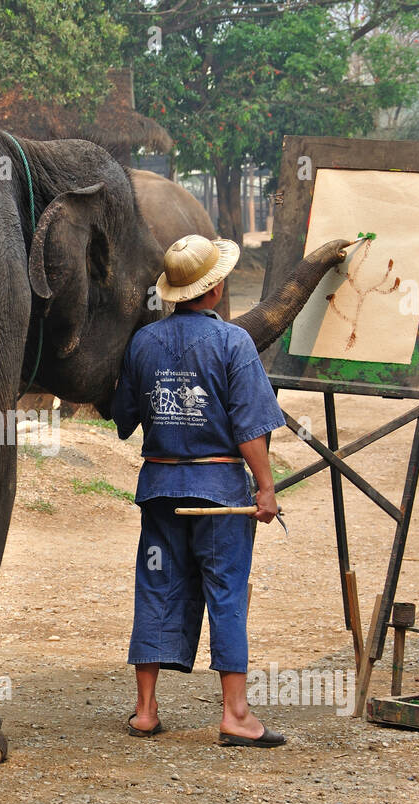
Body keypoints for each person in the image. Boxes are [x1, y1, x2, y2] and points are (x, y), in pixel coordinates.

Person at [111, 233, 287, 748]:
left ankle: (145, 710)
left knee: (156, 588)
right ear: (216, 289)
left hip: (161, 489)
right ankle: (235, 714)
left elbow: (124, 417)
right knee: (226, 593)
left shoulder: (143, 343)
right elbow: (251, 429)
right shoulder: (234, 343)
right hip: (221, 496)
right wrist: (266, 489)